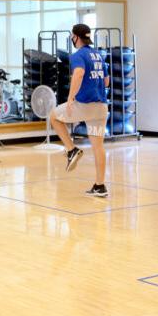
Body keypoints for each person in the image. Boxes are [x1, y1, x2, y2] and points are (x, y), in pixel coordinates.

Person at [50, 23, 110, 197]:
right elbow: (106, 82)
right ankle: (100, 186)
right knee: (98, 147)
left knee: (53, 116)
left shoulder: (78, 56)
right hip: (101, 108)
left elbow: (78, 74)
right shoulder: (98, 55)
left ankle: (71, 149)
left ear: (76, 37)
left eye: (72, 36)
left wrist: (70, 98)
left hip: (84, 105)